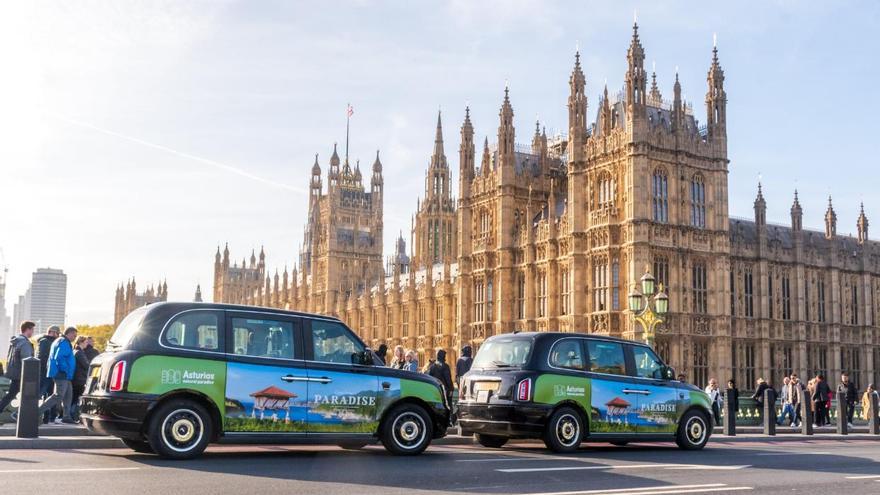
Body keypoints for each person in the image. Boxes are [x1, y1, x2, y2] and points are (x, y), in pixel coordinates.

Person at [38, 326, 78, 424]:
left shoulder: (62, 341)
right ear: (68, 333)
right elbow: (59, 357)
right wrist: (65, 370)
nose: (75, 337)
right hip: (61, 374)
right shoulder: (63, 342)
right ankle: (36, 412)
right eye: (74, 335)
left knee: (68, 395)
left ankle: (66, 416)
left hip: (65, 374)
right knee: (58, 395)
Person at [0, 321, 36, 422]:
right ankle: (20, 415)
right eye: (32, 329)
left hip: (15, 373)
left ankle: (19, 414)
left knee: (11, 395)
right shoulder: (24, 343)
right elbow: (27, 360)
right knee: (30, 396)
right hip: (23, 374)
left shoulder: (15, 341)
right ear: (28, 329)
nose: (33, 332)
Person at [36, 325, 60, 423]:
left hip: (49, 372)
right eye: (56, 333)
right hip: (45, 372)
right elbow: (43, 357)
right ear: (51, 332)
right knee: (41, 394)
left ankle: (48, 417)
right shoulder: (45, 341)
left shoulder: (48, 341)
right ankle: (28, 413)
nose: (57, 335)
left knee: (50, 395)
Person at [71, 336, 91, 420]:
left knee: (74, 398)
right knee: (77, 398)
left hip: (76, 378)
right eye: (86, 342)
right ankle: (73, 415)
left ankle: (70, 414)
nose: (87, 344)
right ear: (81, 342)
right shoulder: (79, 352)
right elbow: (86, 365)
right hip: (80, 379)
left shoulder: (75, 351)